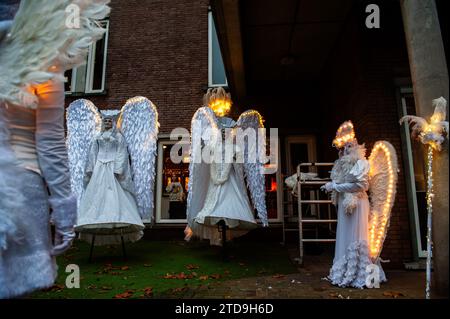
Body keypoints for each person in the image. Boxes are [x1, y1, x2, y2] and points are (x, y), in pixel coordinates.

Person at [321, 121, 386, 288]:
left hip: (357, 204)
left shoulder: (361, 164)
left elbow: (361, 185)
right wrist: (335, 186)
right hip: (345, 205)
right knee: (345, 236)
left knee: (357, 236)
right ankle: (343, 272)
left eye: (347, 147)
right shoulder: (342, 166)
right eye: (342, 149)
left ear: (355, 147)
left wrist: (334, 186)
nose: (343, 152)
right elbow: (343, 182)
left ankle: (366, 277)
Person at [75, 114, 144, 246]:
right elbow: (93, 153)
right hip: (99, 167)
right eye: (105, 120)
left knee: (114, 195)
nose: (107, 122)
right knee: (97, 193)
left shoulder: (118, 137)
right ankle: (96, 219)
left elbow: (122, 153)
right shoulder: (97, 137)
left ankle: (116, 217)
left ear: (113, 122)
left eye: (109, 121)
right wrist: (90, 168)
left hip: (112, 167)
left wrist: (118, 168)